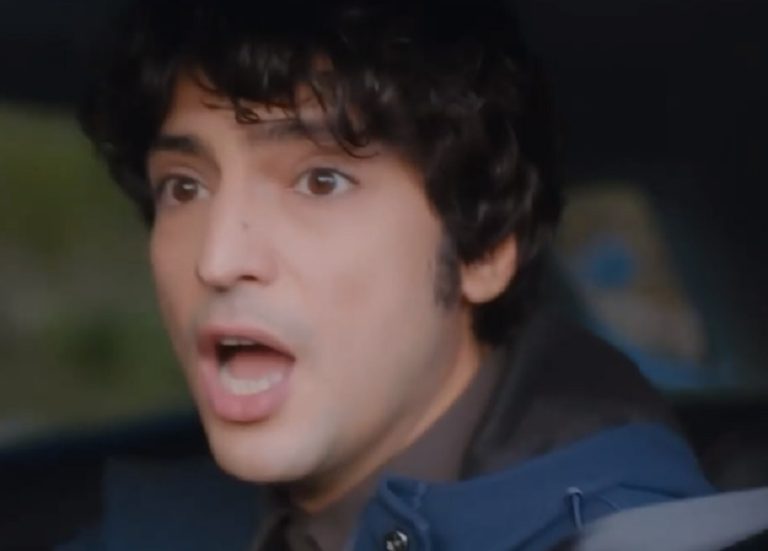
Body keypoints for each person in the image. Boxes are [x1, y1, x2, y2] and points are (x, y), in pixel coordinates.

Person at [63, 0, 718, 549]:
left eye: (320, 181)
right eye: (183, 187)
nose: (217, 259)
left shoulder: (633, 533)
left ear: (483, 247)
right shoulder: (153, 528)